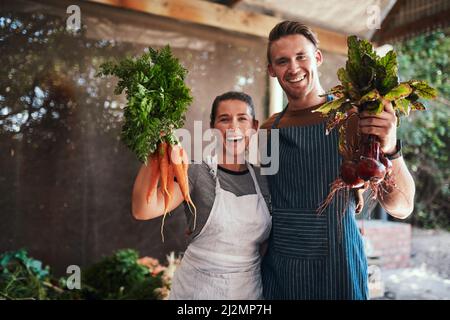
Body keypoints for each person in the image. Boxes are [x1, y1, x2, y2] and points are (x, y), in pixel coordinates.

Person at [260, 21, 415, 299]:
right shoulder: (268, 131)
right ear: (272, 70)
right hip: (281, 271)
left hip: (339, 268)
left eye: (301, 56)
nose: (293, 68)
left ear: (317, 58)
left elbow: (401, 207)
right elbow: (262, 203)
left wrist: (389, 147)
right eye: (282, 61)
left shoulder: (355, 119)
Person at [132, 91, 272, 300]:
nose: (233, 127)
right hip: (198, 291)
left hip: (248, 292)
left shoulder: (264, 180)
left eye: (242, 119)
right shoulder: (196, 172)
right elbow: (143, 209)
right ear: (213, 128)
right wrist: (155, 150)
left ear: (253, 127)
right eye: (224, 119)